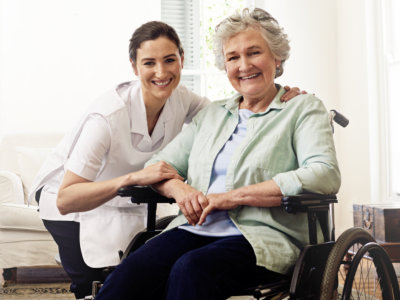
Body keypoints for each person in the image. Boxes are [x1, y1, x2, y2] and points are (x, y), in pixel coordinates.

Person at [29, 20, 301, 299]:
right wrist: (136, 179)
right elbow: (66, 199)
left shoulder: (183, 99)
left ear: (182, 60)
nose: (161, 72)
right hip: (70, 202)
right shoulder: (106, 118)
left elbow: (232, 114)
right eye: (149, 63)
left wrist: (283, 97)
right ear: (134, 67)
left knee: (151, 272)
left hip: (128, 197)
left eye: (169, 60)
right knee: (96, 283)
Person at [95, 7, 341, 300]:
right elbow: (158, 165)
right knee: (132, 273)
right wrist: (181, 190)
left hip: (264, 237)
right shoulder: (212, 114)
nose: (244, 65)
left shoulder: (302, 109)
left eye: (254, 53)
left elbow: (324, 173)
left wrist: (231, 197)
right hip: (194, 229)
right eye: (233, 57)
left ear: (277, 58)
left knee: (191, 269)